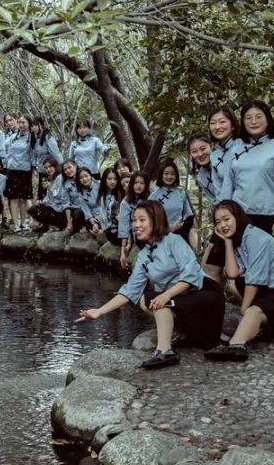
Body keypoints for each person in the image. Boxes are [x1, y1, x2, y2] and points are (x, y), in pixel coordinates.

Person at [76, 200, 225, 369]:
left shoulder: (174, 241)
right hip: (181, 299)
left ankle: (164, 351)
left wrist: (166, 294)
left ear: (156, 221)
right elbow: (130, 291)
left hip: (205, 294)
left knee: (157, 301)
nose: (136, 225)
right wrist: (99, 311)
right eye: (134, 220)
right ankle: (180, 338)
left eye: (142, 220)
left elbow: (191, 275)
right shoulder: (144, 255)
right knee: (145, 300)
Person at [204, 201, 274, 361]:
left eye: (227, 219)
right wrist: (227, 242)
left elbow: (255, 279)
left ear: (238, 217)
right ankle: (273, 328)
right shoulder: (237, 240)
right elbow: (233, 273)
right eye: (218, 222)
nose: (223, 225)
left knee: (253, 311)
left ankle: (236, 345)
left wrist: (245, 311)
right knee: (239, 283)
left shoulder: (254, 236)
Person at [223, 100, 274, 253]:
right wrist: (224, 215)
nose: (253, 121)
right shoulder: (234, 149)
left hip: (269, 216)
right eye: (248, 118)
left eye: (258, 116)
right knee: (242, 264)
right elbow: (228, 183)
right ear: (242, 122)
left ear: (268, 119)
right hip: (240, 217)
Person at [149, 158, 196, 245]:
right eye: (166, 173)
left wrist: (183, 225)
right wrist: (167, 229)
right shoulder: (154, 196)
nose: (169, 177)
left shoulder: (181, 193)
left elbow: (188, 214)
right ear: (161, 175)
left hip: (180, 233)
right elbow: (149, 219)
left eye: (173, 174)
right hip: (161, 234)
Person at [28, 160, 84, 232]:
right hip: (58, 207)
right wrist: (44, 201)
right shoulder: (52, 179)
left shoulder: (62, 179)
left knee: (78, 213)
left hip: (64, 209)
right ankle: (46, 225)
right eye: (46, 168)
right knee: (33, 209)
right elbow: (49, 197)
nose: (48, 169)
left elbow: (59, 198)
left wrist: (50, 189)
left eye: (50, 167)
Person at [3, 115, 33, 231]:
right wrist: (6, 163)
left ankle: (23, 222)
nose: (21, 125)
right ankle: (16, 224)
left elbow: (33, 154)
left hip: (25, 170)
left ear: (29, 124)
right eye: (19, 122)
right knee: (14, 198)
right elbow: (7, 151)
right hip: (12, 170)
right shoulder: (13, 137)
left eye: (23, 122)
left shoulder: (31, 137)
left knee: (24, 198)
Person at [118, 171, 152, 269]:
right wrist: (123, 252)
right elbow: (123, 226)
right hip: (140, 234)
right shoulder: (125, 202)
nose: (139, 186)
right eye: (136, 183)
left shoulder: (152, 198)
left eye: (142, 183)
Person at [208, 105, 241, 198]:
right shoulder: (214, 156)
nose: (217, 127)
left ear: (233, 125)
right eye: (213, 123)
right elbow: (218, 190)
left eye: (222, 122)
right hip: (228, 209)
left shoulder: (244, 146)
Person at [29, 117, 63, 201]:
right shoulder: (33, 139)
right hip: (42, 171)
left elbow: (56, 154)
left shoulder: (48, 139)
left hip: (52, 172)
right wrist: (34, 167)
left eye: (36, 125)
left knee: (53, 194)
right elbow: (33, 156)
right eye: (32, 126)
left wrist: (62, 167)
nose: (34, 128)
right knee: (42, 196)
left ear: (41, 125)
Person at [188, 131, 223, 208]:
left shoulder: (224, 160)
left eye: (203, 149)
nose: (200, 154)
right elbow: (213, 201)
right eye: (194, 152)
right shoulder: (200, 177)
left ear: (211, 145)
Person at [87, 168, 119, 241]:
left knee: (112, 233)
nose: (112, 182)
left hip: (115, 224)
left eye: (115, 179)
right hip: (104, 221)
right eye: (110, 179)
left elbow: (116, 218)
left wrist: (104, 230)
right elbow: (100, 211)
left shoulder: (118, 195)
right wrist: (96, 225)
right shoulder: (102, 193)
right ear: (105, 179)